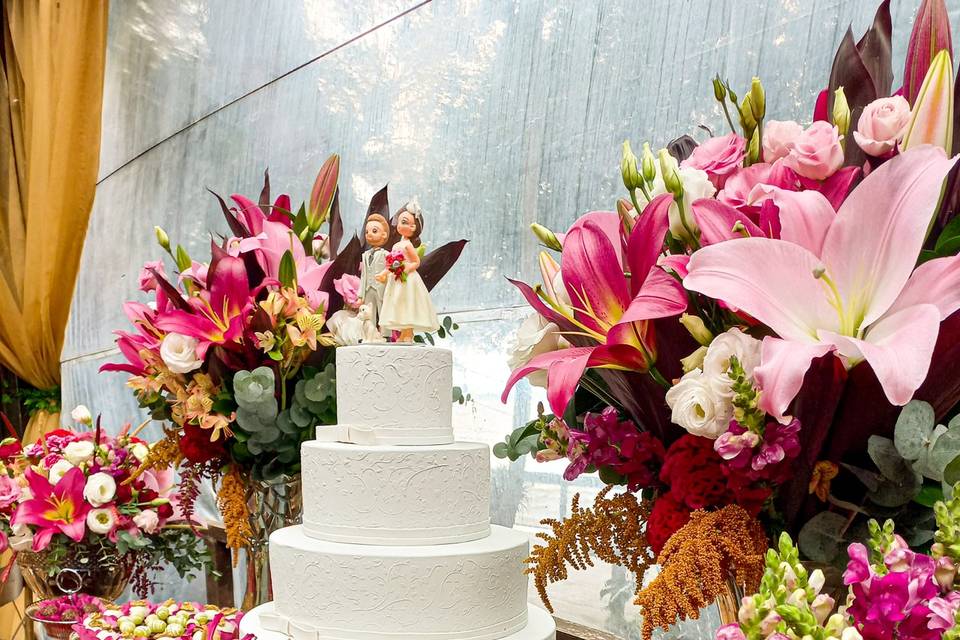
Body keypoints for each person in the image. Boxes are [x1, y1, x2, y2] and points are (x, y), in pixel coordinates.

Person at [376, 200, 440, 342]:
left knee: (408, 304)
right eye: (400, 222)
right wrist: (383, 274)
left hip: (407, 279)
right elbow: (391, 264)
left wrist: (406, 268)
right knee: (399, 305)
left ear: (413, 227)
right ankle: (403, 333)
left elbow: (416, 262)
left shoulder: (407, 246)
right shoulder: (396, 245)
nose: (400, 225)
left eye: (404, 222)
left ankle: (408, 333)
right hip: (396, 279)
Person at [358, 213, 390, 333]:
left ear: (384, 234)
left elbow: (391, 269)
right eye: (367, 232)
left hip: (381, 287)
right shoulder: (365, 255)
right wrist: (361, 294)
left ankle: (385, 334)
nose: (369, 234)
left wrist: (384, 275)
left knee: (383, 310)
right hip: (368, 288)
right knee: (368, 312)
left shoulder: (386, 254)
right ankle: (369, 333)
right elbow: (363, 275)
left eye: (374, 231)